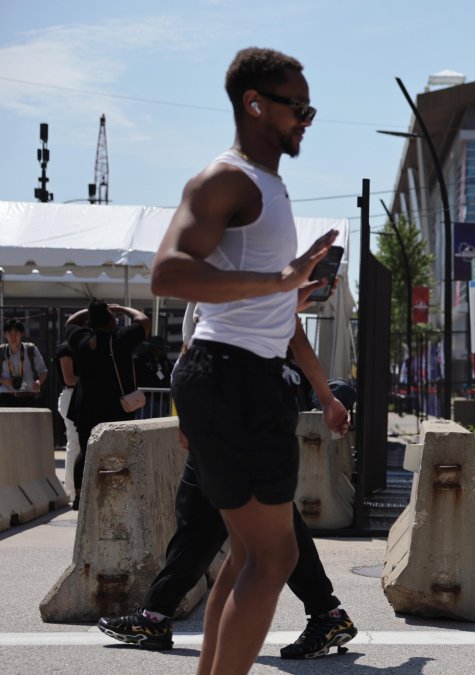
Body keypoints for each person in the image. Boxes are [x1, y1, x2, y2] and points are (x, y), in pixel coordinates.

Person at [150, 47, 348, 675]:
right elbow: (168, 272)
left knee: (244, 556)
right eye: (299, 107)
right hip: (231, 378)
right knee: (274, 559)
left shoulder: (267, 185)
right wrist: (277, 279)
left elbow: (270, 309)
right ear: (254, 103)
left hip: (242, 376)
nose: (307, 120)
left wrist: (293, 290)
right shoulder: (225, 179)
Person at [98, 302, 357, 660]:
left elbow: (207, 348)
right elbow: (289, 337)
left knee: (267, 527)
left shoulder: (233, 277)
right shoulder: (242, 277)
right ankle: (156, 615)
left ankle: (326, 613)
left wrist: (328, 399)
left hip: (232, 418)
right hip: (229, 414)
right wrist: (327, 400)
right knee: (200, 519)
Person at [64, 302, 149, 509]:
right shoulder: (120, 339)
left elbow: (71, 321)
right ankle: (114, 493)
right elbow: (144, 321)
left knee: (86, 450)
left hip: (85, 407)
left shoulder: (80, 339)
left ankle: (79, 496)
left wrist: (91, 311)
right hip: (115, 407)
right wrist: (122, 308)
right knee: (119, 451)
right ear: (111, 321)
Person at [55, 328, 81, 502]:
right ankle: (72, 490)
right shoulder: (67, 349)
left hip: (77, 395)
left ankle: (74, 489)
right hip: (72, 395)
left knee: (77, 444)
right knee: (74, 444)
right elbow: (69, 380)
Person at [1, 318, 48, 408]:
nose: (13, 336)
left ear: (22, 334)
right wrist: (3, 381)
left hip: (29, 397)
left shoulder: (31, 349)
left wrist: (38, 382)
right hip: (6, 398)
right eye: (9, 333)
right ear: (4, 335)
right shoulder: (1, 351)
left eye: (16, 333)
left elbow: (43, 371)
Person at [134, 336, 174, 417]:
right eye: (161, 349)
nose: (162, 351)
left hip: (161, 398)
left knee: (160, 422)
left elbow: (169, 374)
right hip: (146, 399)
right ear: (153, 348)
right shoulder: (142, 359)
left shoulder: (165, 361)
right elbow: (140, 377)